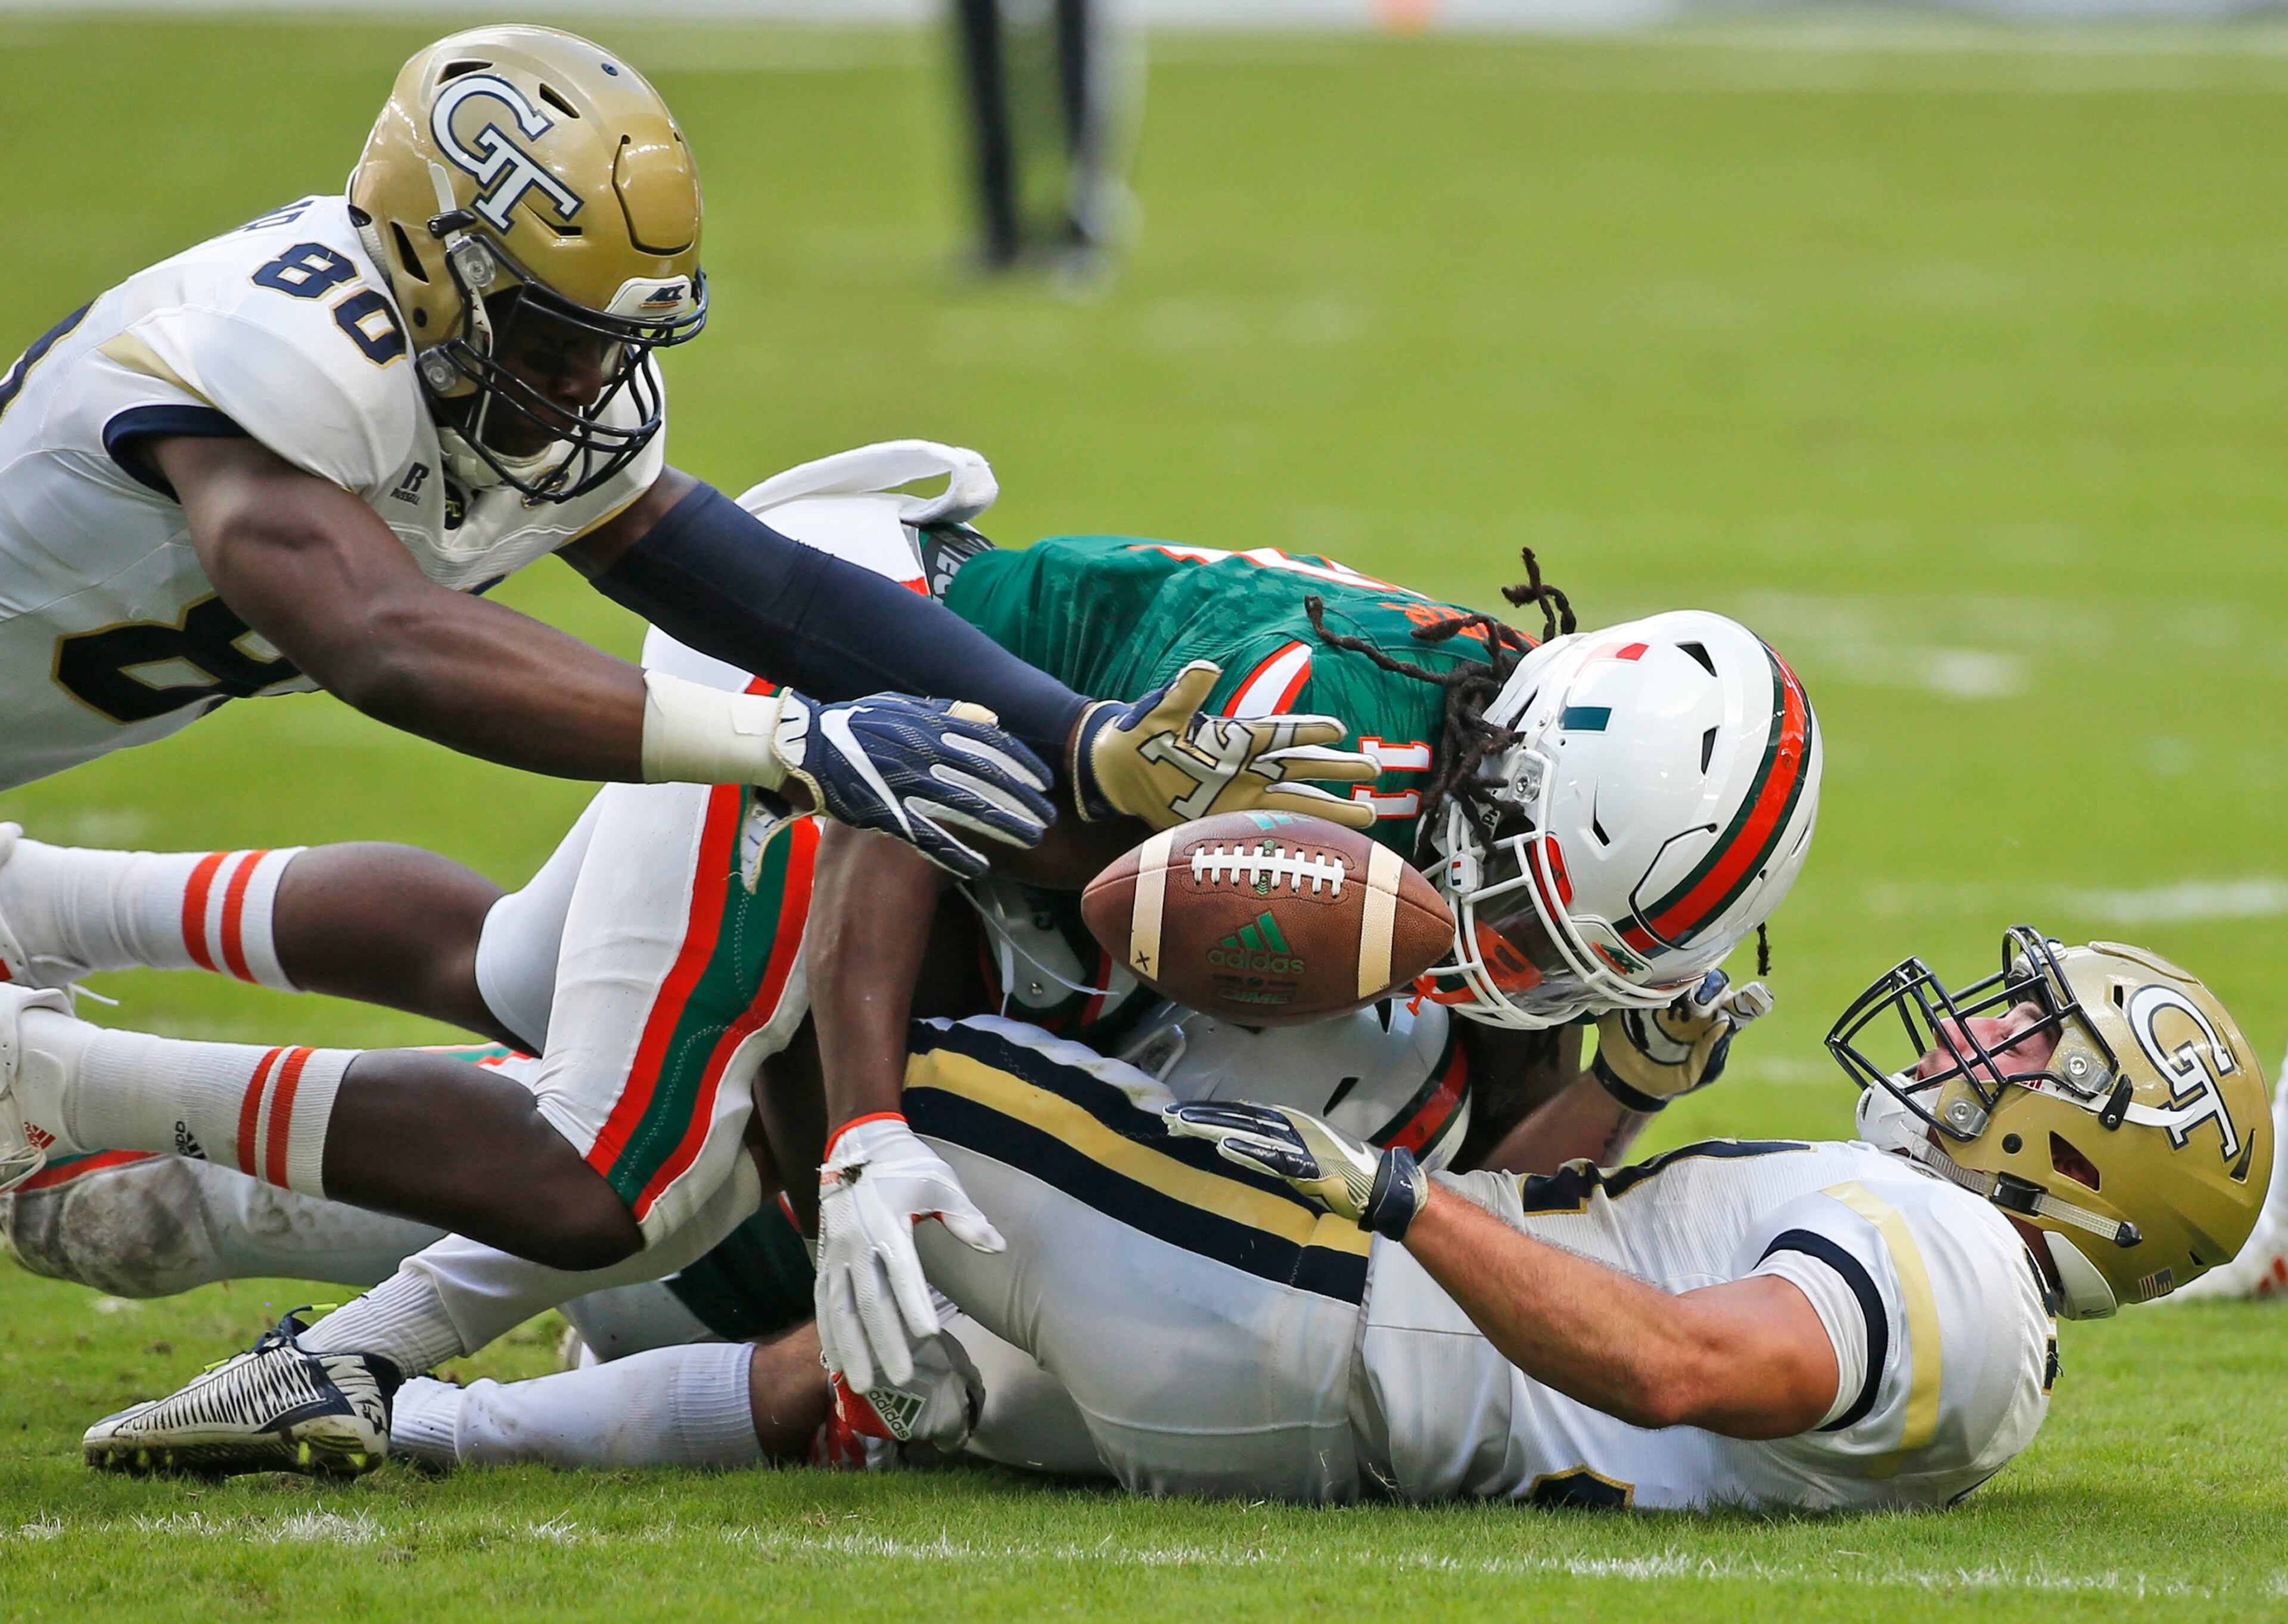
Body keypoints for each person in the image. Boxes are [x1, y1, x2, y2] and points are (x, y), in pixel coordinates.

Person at [17, 470, 1811, 1476]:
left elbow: (1487, 1184)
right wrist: (868, 1126)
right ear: (1534, 775)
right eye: (1534, 917)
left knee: (506, 966)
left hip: (951, 802)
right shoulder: (1311, 743)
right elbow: (918, 809)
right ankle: (295, 1306)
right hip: (858, 670)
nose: (1525, 969)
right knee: (638, 1161)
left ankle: (37, 892)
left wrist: (1636, 1074)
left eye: (1581, 958)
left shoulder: (1515, 846)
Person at [0, 26, 1369, 896]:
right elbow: (381, 638)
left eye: (614, 344)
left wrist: (1078, 732)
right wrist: (789, 744)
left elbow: (742, 579)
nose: (587, 387)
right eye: (553, 340)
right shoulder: (277, 345)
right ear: (432, 262)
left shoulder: (482, 364)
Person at [380, 926, 2270, 1511]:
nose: (1977, 1039)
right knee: (868, 1361)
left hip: (1334, 1327)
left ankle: (353, 1221)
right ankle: (417, 1422)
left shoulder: (1948, 1267)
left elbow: (1689, 1363)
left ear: (2083, 1163)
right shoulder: (1962, 1309)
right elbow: (1610, 1261)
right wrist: (1636, 1089)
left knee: (836, 1006)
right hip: (1329, 1394)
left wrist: (1398, 1201)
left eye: (2036, 1045)